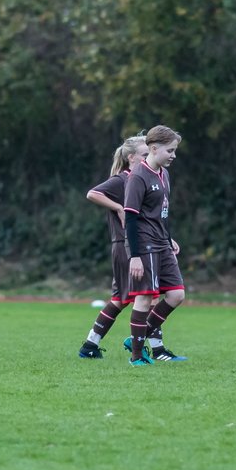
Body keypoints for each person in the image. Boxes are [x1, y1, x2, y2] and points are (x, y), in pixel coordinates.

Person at [78, 135, 148, 359]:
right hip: (125, 246)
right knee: (147, 295)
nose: (149, 158)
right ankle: (149, 346)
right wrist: (118, 207)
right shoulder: (122, 179)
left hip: (134, 246)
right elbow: (93, 193)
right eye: (145, 155)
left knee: (121, 299)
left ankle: (90, 345)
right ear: (131, 158)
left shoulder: (142, 179)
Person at [123, 124, 188, 366]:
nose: (173, 155)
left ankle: (137, 337)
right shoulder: (138, 176)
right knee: (143, 298)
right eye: (169, 150)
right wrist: (135, 256)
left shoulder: (164, 174)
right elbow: (130, 217)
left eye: (174, 151)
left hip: (161, 242)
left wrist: (169, 237)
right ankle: (137, 356)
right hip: (145, 244)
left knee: (176, 294)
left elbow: (162, 212)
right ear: (153, 148)